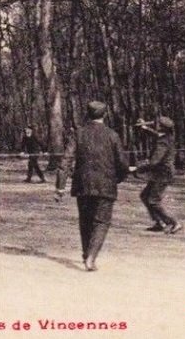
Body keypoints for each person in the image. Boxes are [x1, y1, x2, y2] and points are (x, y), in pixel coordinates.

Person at [55, 101, 129, 272]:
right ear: (105, 114)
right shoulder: (112, 135)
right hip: (106, 185)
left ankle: (86, 254)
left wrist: (60, 187)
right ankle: (91, 257)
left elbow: (65, 160)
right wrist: (117, 179)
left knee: (85, 220)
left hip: (83, 184)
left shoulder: (78, 133)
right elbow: (123, 164)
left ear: (87, 114)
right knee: (102, 222)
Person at [134, 116, 182, 234]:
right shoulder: (168, 137)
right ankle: (159, 223)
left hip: (163, 174)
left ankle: (173, 222)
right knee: (145, 196)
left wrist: (138, 167)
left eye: (157, 124)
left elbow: (154, 162)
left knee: (153, 200)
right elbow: (157, 135)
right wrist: (145, 128)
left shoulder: (163, 142)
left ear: (162, 128)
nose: (155, 125)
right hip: (161, 173)